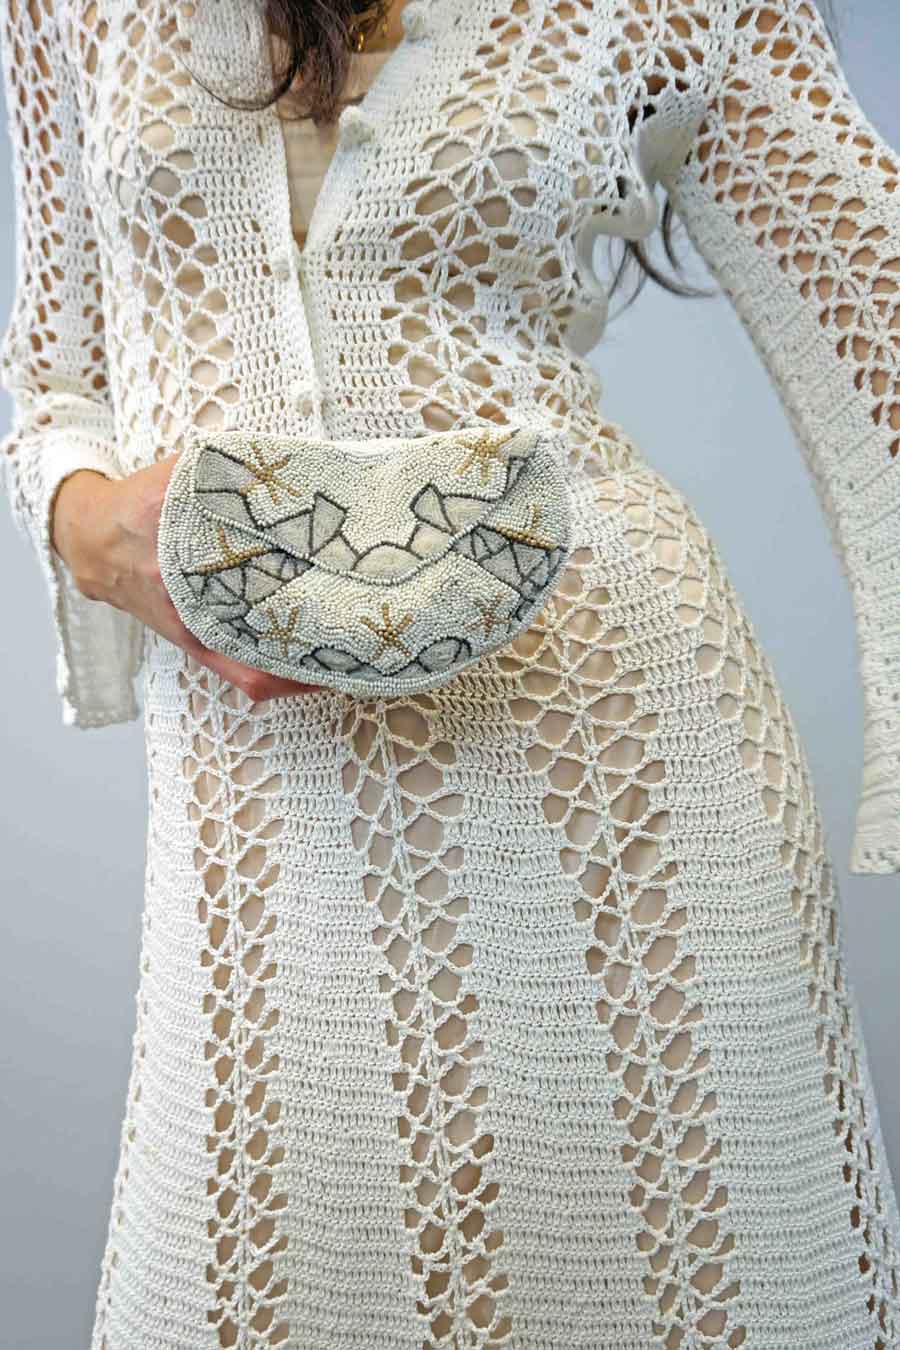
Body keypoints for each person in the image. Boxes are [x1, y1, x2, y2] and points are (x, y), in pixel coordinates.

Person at [1, 0, 898, 1345]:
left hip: (615, 786)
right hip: (261, 804)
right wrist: (94, 531)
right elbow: (52, 378)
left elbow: (881, 328)